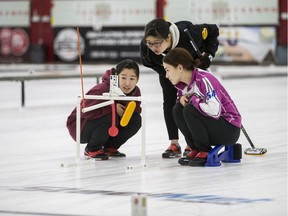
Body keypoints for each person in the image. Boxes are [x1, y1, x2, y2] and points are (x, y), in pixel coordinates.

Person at [140, 18, 219, 158]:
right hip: (168, 73)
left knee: (193, 103)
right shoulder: (147, 47)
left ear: (168, 37)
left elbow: (213, 30)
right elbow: (148, 62)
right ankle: (174, 143)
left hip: (193, 72)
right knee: (170, 103)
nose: (153, 48)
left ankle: (193, 142)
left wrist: (209, 55)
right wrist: (167, 73)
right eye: (150, 43)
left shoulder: (188, 32)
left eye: (157, 43)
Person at [162, 47, 242, 166]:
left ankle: (204, 150)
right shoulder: (181, 85)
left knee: (189, 109)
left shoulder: (204, 79)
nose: (166, 75)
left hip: (229, 129)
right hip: (213, 129)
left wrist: (193, 100)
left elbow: (215, 111)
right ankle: (195, 148)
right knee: (177, 109)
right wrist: (181, 99)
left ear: (179, 68)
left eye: (168, 70)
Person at [66, 59, 142, 160]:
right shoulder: (102, 89)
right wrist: (113, 108)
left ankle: (110, 147)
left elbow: (136, 110)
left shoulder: (135, 92)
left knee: (135, 119)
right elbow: (84, 111)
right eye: (123, 78)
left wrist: (127, 111)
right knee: (110, 116)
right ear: (116, 77)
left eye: (132, 79)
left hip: (108, 126)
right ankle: (92, 149)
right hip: (80, 126)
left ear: (137, 80)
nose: (127, 83)